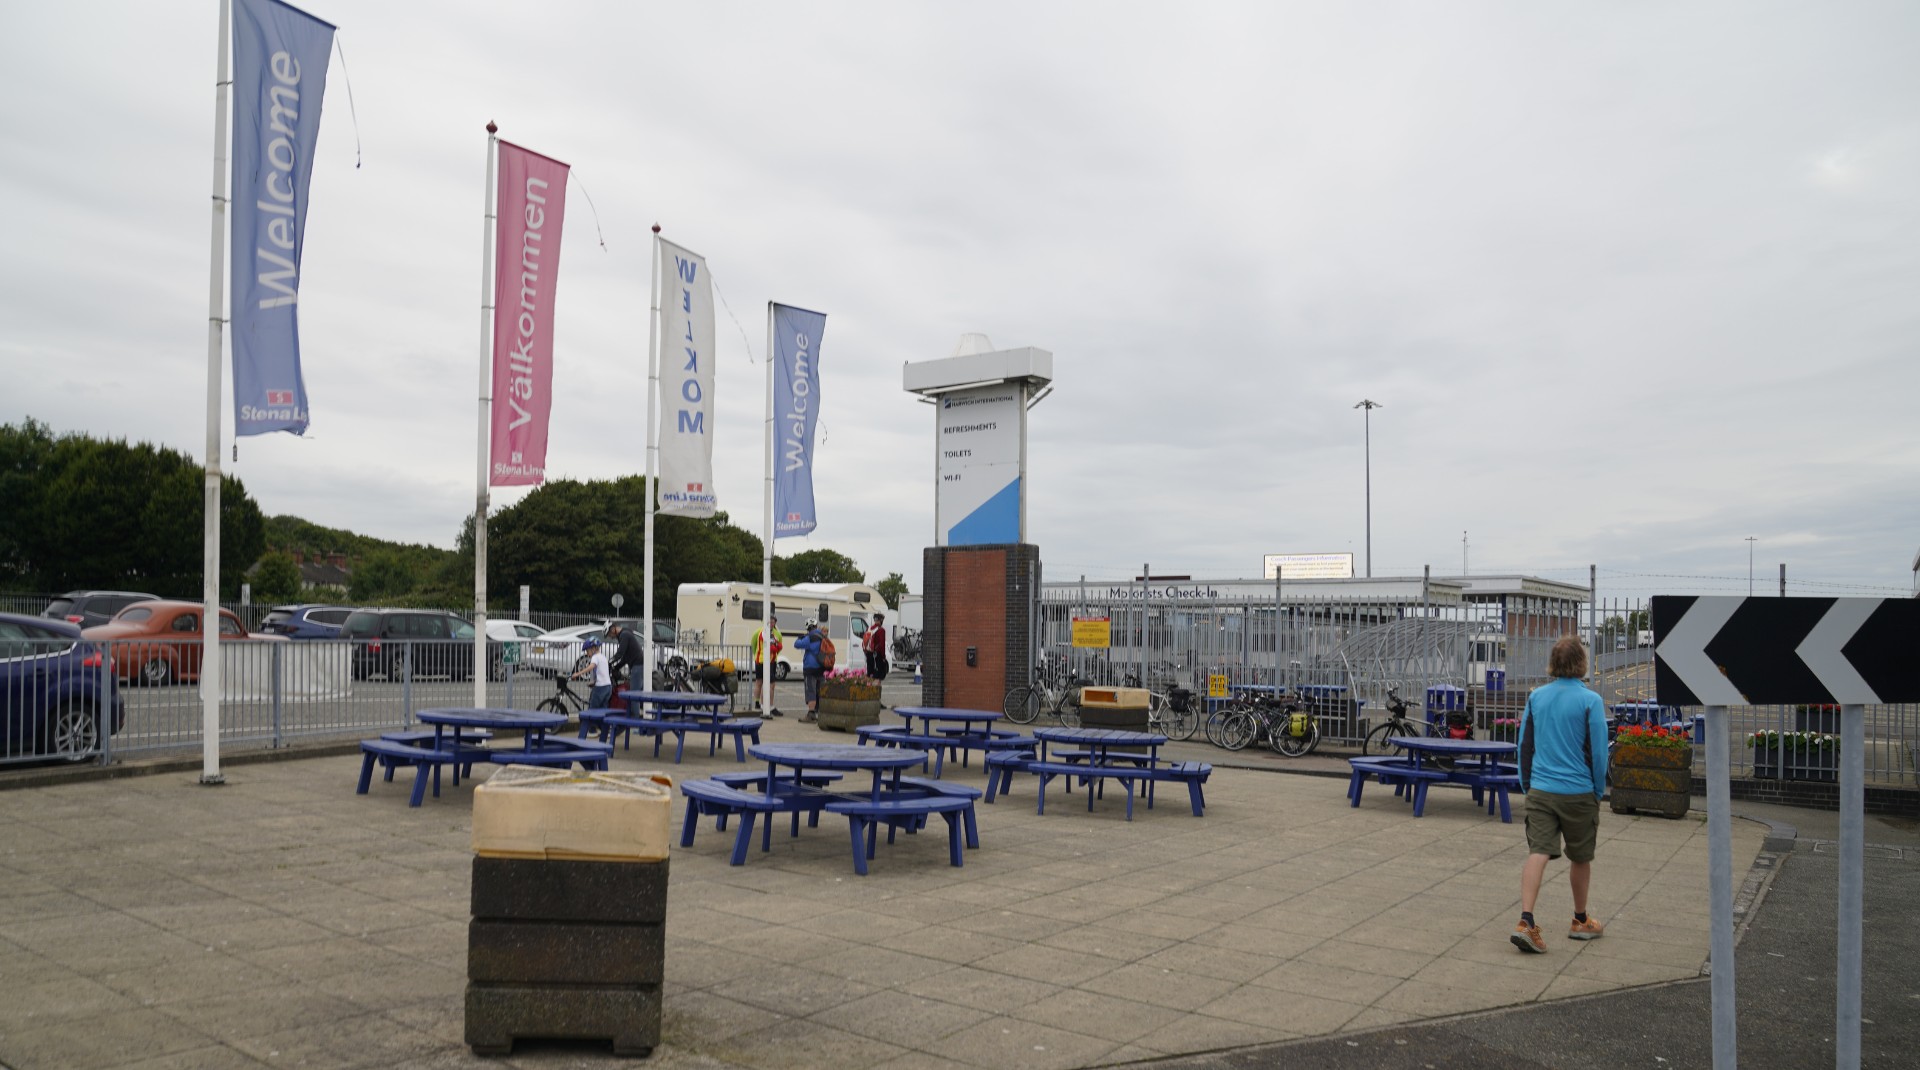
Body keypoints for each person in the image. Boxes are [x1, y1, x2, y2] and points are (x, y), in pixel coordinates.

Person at [1511, 635, 1610, 954]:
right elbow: (1598, 753)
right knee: (1580, 856)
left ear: (1552, 663)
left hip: (1541, 789)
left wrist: (1528, 785)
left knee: (1538, 852)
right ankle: (1580, 920)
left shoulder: (1536, 697)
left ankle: (1526, 921)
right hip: (1579, 791)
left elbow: (1525, 745)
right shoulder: (1590, 701)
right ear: (1582, 663)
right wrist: (1597, 789)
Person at [792, 617, 827, 722]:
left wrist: (800, 638)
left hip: (810, 668)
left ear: (808, 627)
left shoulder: (810, 637)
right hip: (821, 667)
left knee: (810, 690)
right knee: (819, 691)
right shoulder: (822, 636)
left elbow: (797, 644)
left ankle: (811, 714)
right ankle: (820, 713)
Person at [750, 616, 784, 717]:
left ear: (775, 623)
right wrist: (758, 654)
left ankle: (761, 704)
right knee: (765, 683)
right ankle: (767, 705)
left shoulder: (777, 633)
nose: (771, 624)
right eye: (770, 622)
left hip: (771, 661)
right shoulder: (759, 632)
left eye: (773, 622)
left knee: (764, 683)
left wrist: (775, 652)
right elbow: (754, 644)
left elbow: (779, 646)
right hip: (763, 661)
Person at [571, 636, 612, 710]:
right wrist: (594, 682)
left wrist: (578, 674)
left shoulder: (595, 657)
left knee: (592, 710)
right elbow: (602, 673)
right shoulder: (603, 657)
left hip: (600, 688)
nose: (587, 653)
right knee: (603, 709)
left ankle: (591, 722)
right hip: (608, 687)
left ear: (593, 649)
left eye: (587, 651)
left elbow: (591, 666)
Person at [603, 620, 646, 691]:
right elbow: (625, 657)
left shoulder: (624, 635)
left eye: (609, 634)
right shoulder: (624, 634)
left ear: (613, 629)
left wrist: (609, 662)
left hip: (637, 665)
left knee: (634, 694)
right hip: (636, 665)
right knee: (637, 690)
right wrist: (617, 667)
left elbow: (620, 653)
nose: (610, 637)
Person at [863, 612, 889, 682]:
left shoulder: (869, 628)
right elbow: (881, 645)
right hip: (877, 656)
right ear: (881, 620)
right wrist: (883, 657)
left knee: (870, 675)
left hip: (869, 653)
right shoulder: (881, 630)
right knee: (878, 677)